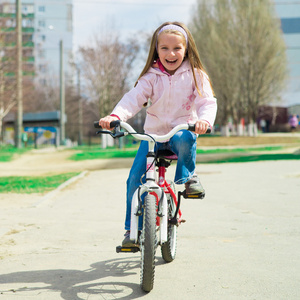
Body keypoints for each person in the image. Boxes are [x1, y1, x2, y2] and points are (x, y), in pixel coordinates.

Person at [99, 21, 217, 247]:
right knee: (134, 179)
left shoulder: (195, 74)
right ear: (156, 50)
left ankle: (188, 178)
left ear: (186, 49)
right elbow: (132, 100)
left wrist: (204, 121)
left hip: (180, 131)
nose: (170, 53)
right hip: (153, 138)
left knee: (186, 138)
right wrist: (115, 117)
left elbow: (206, 102)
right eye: (164, 48)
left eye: (177, 48)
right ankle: (131, 231)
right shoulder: (151, 77)